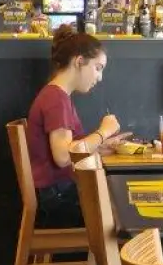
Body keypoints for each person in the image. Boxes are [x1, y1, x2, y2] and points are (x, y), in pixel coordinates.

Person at [26, 26, 124, 228]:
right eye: (98, 68)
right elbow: (63, 157)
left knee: (119, 200)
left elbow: (71, 148)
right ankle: (113, 259)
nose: (100, 77)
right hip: (57, 199)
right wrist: (103, 132)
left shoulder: (58, 96)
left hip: (56, 194)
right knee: (124, 208)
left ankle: (100, 260)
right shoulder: (56, 99)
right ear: (79, 62)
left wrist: (102, 144)